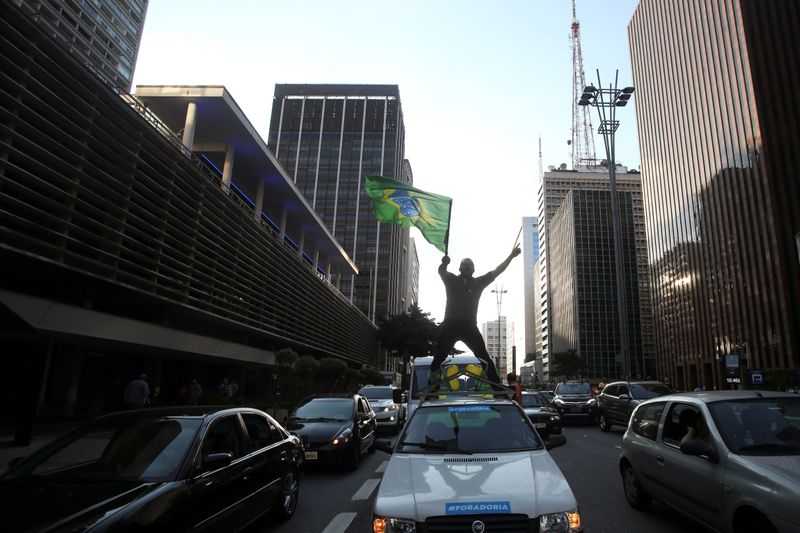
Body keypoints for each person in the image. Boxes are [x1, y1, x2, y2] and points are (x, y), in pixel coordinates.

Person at [429, 245, 522, 388]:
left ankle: (496, 385)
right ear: (459, 268)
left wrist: (511, 255)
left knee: (484, 357)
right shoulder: (452, 279)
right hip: (450, 325)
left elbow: (498, 270)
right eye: (464, 264)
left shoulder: (479, 282)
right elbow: (442, 272)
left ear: (473, 269)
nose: (467, 266)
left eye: (469, 264)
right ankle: (432, 386)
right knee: (439, 357)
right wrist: (444, 263)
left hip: (469, 326)